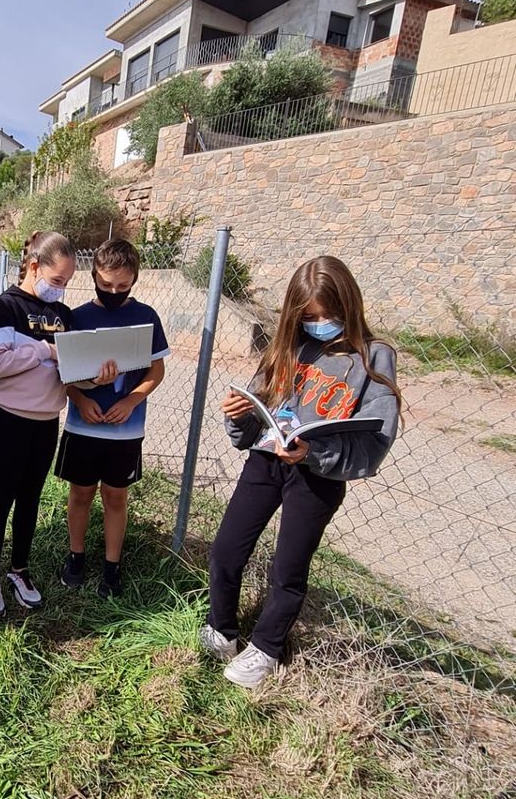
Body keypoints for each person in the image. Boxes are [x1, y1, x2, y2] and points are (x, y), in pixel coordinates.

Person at [200, 255, 401, 689]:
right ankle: (222, 629)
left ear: (350, 304)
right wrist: (238, 415)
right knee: (226, 549)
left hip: (317, 477)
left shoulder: (374, 357)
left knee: (288, 567)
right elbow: (250, 423)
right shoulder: (287, 347)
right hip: (265, 462)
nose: (321, 323)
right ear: (295, 313)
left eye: (331, 314)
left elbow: (374, 443)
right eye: (310, 316)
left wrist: (314, 452)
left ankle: (267, 648)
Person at [0, 231, 116, 614]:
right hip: (7, 419)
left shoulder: (63, 316)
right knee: (1, 498)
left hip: (45, 422)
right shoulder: (6, 307)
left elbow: (71, 372)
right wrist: (42, 349)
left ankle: (18, 570)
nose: (61, 289)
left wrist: (96, 377)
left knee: (30, 499)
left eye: (67, 283)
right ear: (34, 266)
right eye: (57, 281)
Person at [57, 238, 169, 598]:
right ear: (94, 276)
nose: (114, 292)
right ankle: (76, 556)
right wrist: (79, 397)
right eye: (106, 285)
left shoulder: (146, 316)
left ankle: (112, 566)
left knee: (116, 496)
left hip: (125, 430)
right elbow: (64, 374)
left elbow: (157, 370)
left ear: (135, 278)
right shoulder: (76, 317)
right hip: (82, 425)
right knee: (80, 492)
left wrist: (133, 400)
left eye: (123, 285)